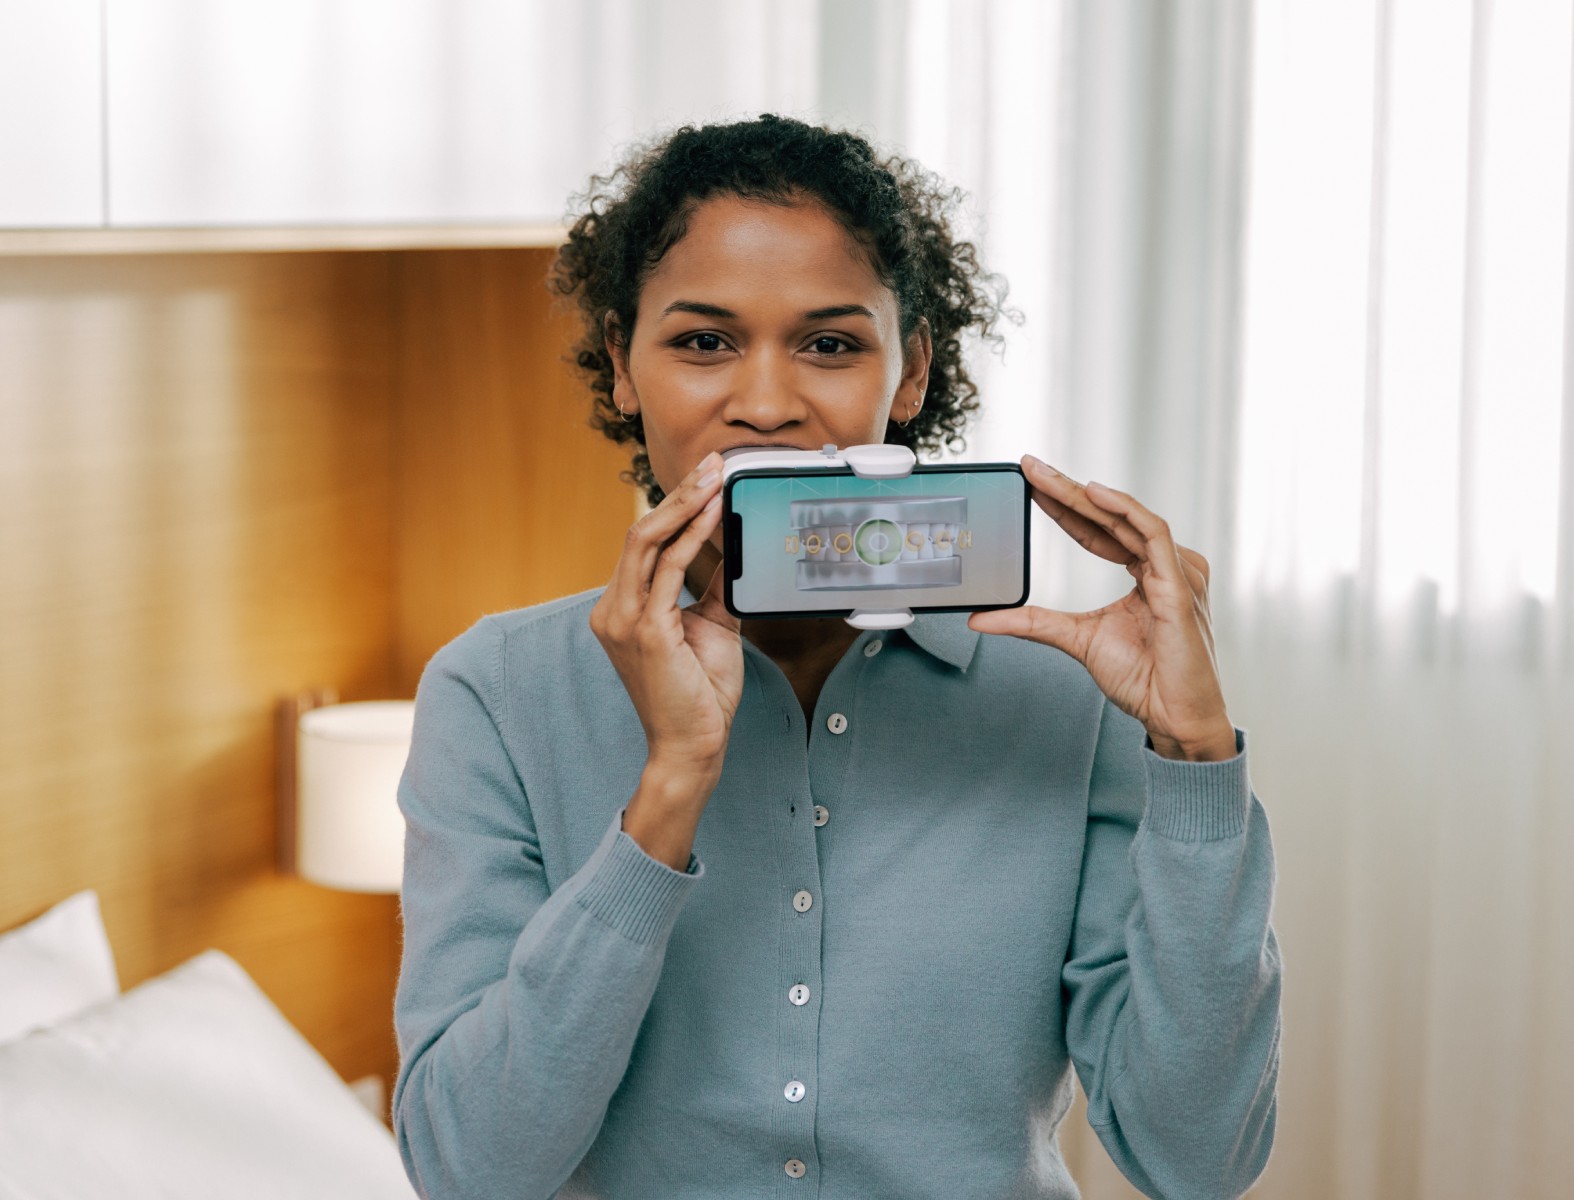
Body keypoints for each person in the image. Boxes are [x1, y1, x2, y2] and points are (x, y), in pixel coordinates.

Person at [392, 114, 1281, 1200]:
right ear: (622, 365)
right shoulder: (494, 693)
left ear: (908, 378)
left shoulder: (1064, 700)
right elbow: (467, 1167)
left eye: (828, 343)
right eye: (702, 341)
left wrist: (1193, 759)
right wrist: (668, 788)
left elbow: (1196, 1161)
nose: (764, 404)